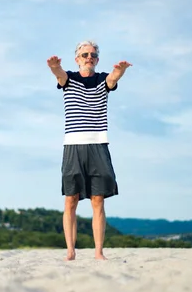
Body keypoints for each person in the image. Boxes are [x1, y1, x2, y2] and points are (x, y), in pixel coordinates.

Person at [47, 41, 132, 260]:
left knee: (98, 199)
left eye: (93, 55)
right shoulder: (70, 79)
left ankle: (98, 252)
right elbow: (59, 75)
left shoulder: (102, 79)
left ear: (97, 59)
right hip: (73, 145)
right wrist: (54, 67)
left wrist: (119, 71)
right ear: (77, 58)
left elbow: (112, 79)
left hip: (98, 144)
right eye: (84, 54)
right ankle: (70, 251)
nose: (89, 57)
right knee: (70, 199)